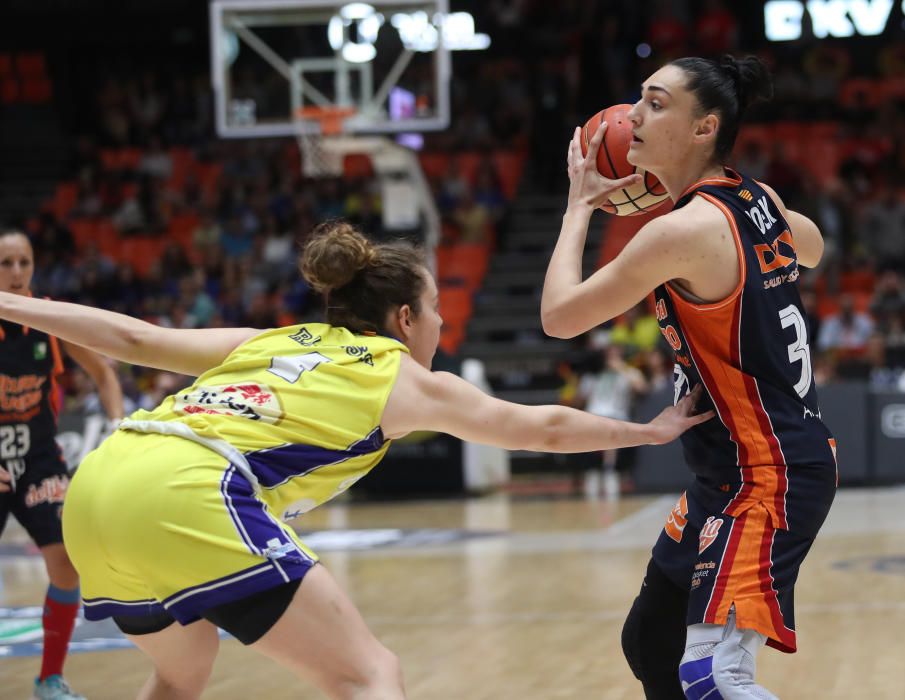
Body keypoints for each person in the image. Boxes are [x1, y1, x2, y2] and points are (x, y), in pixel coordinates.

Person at [0, 221, 712, 700]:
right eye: (433, 310)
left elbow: (134, 337)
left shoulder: (274, 338)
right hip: (189, 489)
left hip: (99, 488)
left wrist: (11, 303)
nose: (439, 323)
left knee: (182, 678)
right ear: (404, 318)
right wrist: (647, 433)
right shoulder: (401, 376)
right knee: (372, 676)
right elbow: (541, 428)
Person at [542, 55, 837, 699]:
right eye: (637, 100)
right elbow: (812, 248)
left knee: (711, 676)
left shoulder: (677, 232)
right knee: (652, 639)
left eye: (654, 102)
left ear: (704, 128)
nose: (632, 116)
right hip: (728, 470)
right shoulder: (756, 199)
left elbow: (560, 317)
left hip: (767, 472)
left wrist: (580, 206)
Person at [0, 229, 124, 700]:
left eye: (23, 262)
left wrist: (116, 426)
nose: (15, 272)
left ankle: (49, 678)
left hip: (38, 460)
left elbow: (104, 373)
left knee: (67, 566)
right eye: (6, 263)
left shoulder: (49, 319)